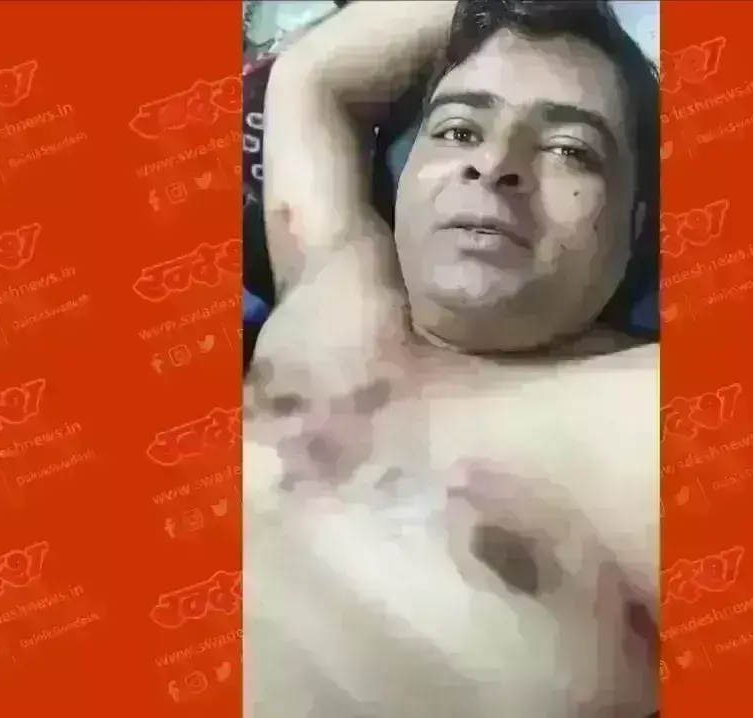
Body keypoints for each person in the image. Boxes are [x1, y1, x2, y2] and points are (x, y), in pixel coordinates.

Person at [243, 2, 660, 716]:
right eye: (459, 130)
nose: (493, 165)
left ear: (637, 223)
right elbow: (311, 76)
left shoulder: (641, 410)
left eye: (571, 150)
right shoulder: (334, 286)